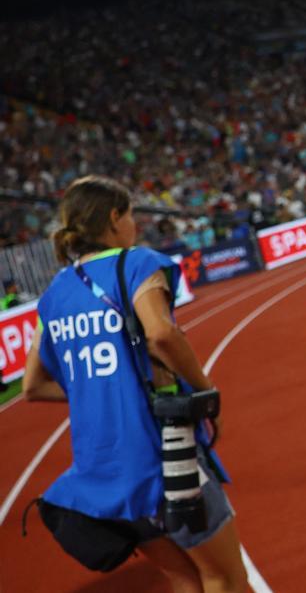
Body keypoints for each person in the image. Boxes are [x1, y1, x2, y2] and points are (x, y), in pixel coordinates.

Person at [23, 176, 248, 593]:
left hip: (101, 471)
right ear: (113, 218)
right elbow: (162, 334)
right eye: (130, 215)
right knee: (226, 579)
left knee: (185, 580)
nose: (134, 225)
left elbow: (32, 386)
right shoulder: (137, 263)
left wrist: (105, 388)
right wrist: (203, 389)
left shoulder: (55, 293)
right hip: (158, 455)